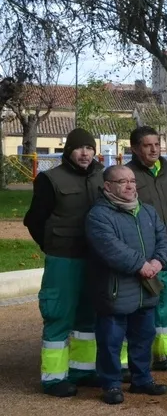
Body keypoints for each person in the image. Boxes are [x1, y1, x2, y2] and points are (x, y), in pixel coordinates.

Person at [24, 128, 105, 396]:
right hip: (64, 259)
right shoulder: (50, 179)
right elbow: (34, 220)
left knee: (87, 316)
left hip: (93, 258)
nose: (85, 153)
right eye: (79, 148)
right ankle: (53, 378)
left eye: (89, 148)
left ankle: (83, 370)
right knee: (58, 314)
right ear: (69, 150)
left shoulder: (102, 177)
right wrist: (52, 245)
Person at [85, 165, 167, 404]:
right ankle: (111, 384)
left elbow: (164, 239)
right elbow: (110, 248)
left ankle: (142, 379)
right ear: (108, 186)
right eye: (122, 181)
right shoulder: (98, 215)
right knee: (111, 340)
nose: (130, 185)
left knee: (144, 337)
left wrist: (158, 261)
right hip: (115, 290)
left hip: (146, 289)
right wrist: (140, 265)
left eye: (132, 180)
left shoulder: (148, 211)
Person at [127, 126, 167, 373]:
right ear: (134, 148)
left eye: (157, 144)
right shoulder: (128, 175)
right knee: (140, 307)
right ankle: (137, 360)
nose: (154, 149)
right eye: (147, 145)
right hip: (143, 255)